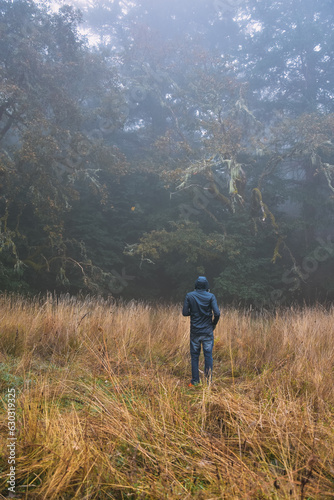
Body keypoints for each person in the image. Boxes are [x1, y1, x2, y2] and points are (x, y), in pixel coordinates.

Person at [182, 276, 220, 386]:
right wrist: (213, 324)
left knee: (194, 356)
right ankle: (208, 382)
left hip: (195, 331)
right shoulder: (211, 296)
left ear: (196, 285)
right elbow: (217, 313)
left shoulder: (189, 296)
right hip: (207, 331)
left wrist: (194, 313)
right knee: (208, 355)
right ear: (207, 285)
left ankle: (195, 381)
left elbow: (184, 313)